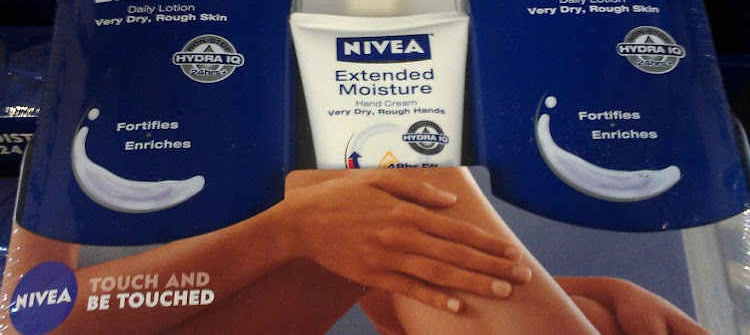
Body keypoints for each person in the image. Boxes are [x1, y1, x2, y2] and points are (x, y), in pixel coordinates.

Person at [0, 167, 710, 334]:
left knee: (370, 200)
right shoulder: (76, 113)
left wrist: (580, 291)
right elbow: (28, 320)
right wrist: (286, 230)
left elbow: (373, 276)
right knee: (399, 193)